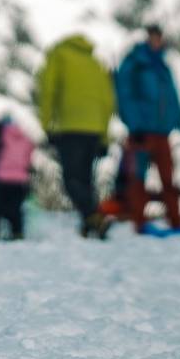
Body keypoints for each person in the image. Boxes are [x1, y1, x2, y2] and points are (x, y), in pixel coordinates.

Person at [37, 33, 116, 237]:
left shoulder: (59, 55)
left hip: (70, 127)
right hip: (94, 129)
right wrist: (105, 137)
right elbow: (108, 101)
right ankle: (90, 224)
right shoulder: (95, 62)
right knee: (85, 180)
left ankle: (94, 216)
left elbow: (48, 90)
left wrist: (46, 125)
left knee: (71, 180)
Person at [116, 24, 180, 232]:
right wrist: (134, 125)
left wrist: (179, 123)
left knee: (168, 178)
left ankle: (176, 221)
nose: (157, 41)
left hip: (163, 132)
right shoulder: (134, 63)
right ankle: (139, 222)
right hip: (141, 132)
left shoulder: (163, 66)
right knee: (138, 179)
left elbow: (173, 97)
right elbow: (125, 95)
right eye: (153, 37)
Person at [0, 117, 35, 240]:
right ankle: (17, 233)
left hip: (1, 179)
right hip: (20, 180)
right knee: (16, 209)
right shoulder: (25, 139)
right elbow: (29, 159)